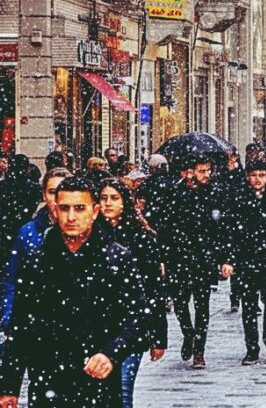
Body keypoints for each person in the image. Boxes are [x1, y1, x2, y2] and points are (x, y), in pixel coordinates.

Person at [0, 177, 148, 407]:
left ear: (94, 211)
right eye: (65, 208)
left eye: (79, 208)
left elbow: (137, 318)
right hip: (48, 381)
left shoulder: (116, 259)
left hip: (98, 383)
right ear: (55, 210)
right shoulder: (38, 260)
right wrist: (9, 386)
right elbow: (21, 327)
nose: (71, 217)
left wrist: (111, 352)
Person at [96, 179, 167, 407]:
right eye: (103, 198)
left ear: (125, 203)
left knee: (123, 393)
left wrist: (158, 337)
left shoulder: (141, 238)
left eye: (114, 198)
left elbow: (154, 291)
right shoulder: (91, 235)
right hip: (97, 329)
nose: (108, 204)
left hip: (130, 328)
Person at [221, 160, 266, 365]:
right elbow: (231, 231)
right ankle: (251, 346)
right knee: (249, 305)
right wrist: (230, 258)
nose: (258, 180)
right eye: (254, 175)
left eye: (261, 175)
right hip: (247, 260)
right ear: (247, 177)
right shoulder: (238, 199)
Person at [164, 154, 228, 369]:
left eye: (208, 170)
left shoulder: (214, 192)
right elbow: (166, 226)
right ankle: (188, 333)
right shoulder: (175, 192)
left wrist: (222, 257)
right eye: (202, 171)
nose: (207, 174)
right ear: (190, 171)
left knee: (202, 305)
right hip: (179, 256)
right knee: (180, 302)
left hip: (203, 257)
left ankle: (199, 350)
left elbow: (220, 227)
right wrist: (164, 256)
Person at [0, 168, 72, 335]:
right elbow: (11, 279)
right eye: (53, 192)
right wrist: (9, 318)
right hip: (33, 328)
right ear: (44, 194)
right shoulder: (28, 233)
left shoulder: (86, 233)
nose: (58, 198)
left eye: (64, 191)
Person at [0, 154, 42, 258]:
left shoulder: (3, 186)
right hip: (25, 226)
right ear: (27, 169)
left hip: (4, 229)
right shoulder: (34, 188)